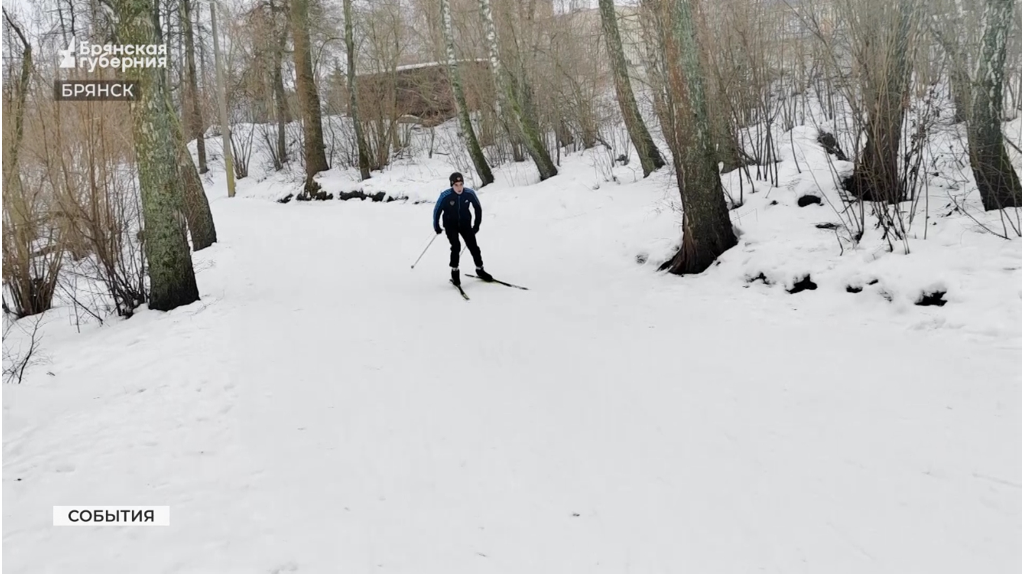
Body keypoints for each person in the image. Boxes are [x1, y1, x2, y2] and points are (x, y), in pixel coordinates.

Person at [433, 172, 492, 286]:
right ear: (452, 185)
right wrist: (437, 226)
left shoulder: (469, 193)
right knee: (456, 246)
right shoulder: (445, 196)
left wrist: (476, 225)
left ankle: (480, 269)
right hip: (450, 225)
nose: (459, 187)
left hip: (465, 224)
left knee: (473, 246)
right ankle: (455, 272)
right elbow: (437, 211)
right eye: (456, 185)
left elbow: (477, 208)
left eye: (461, 184)